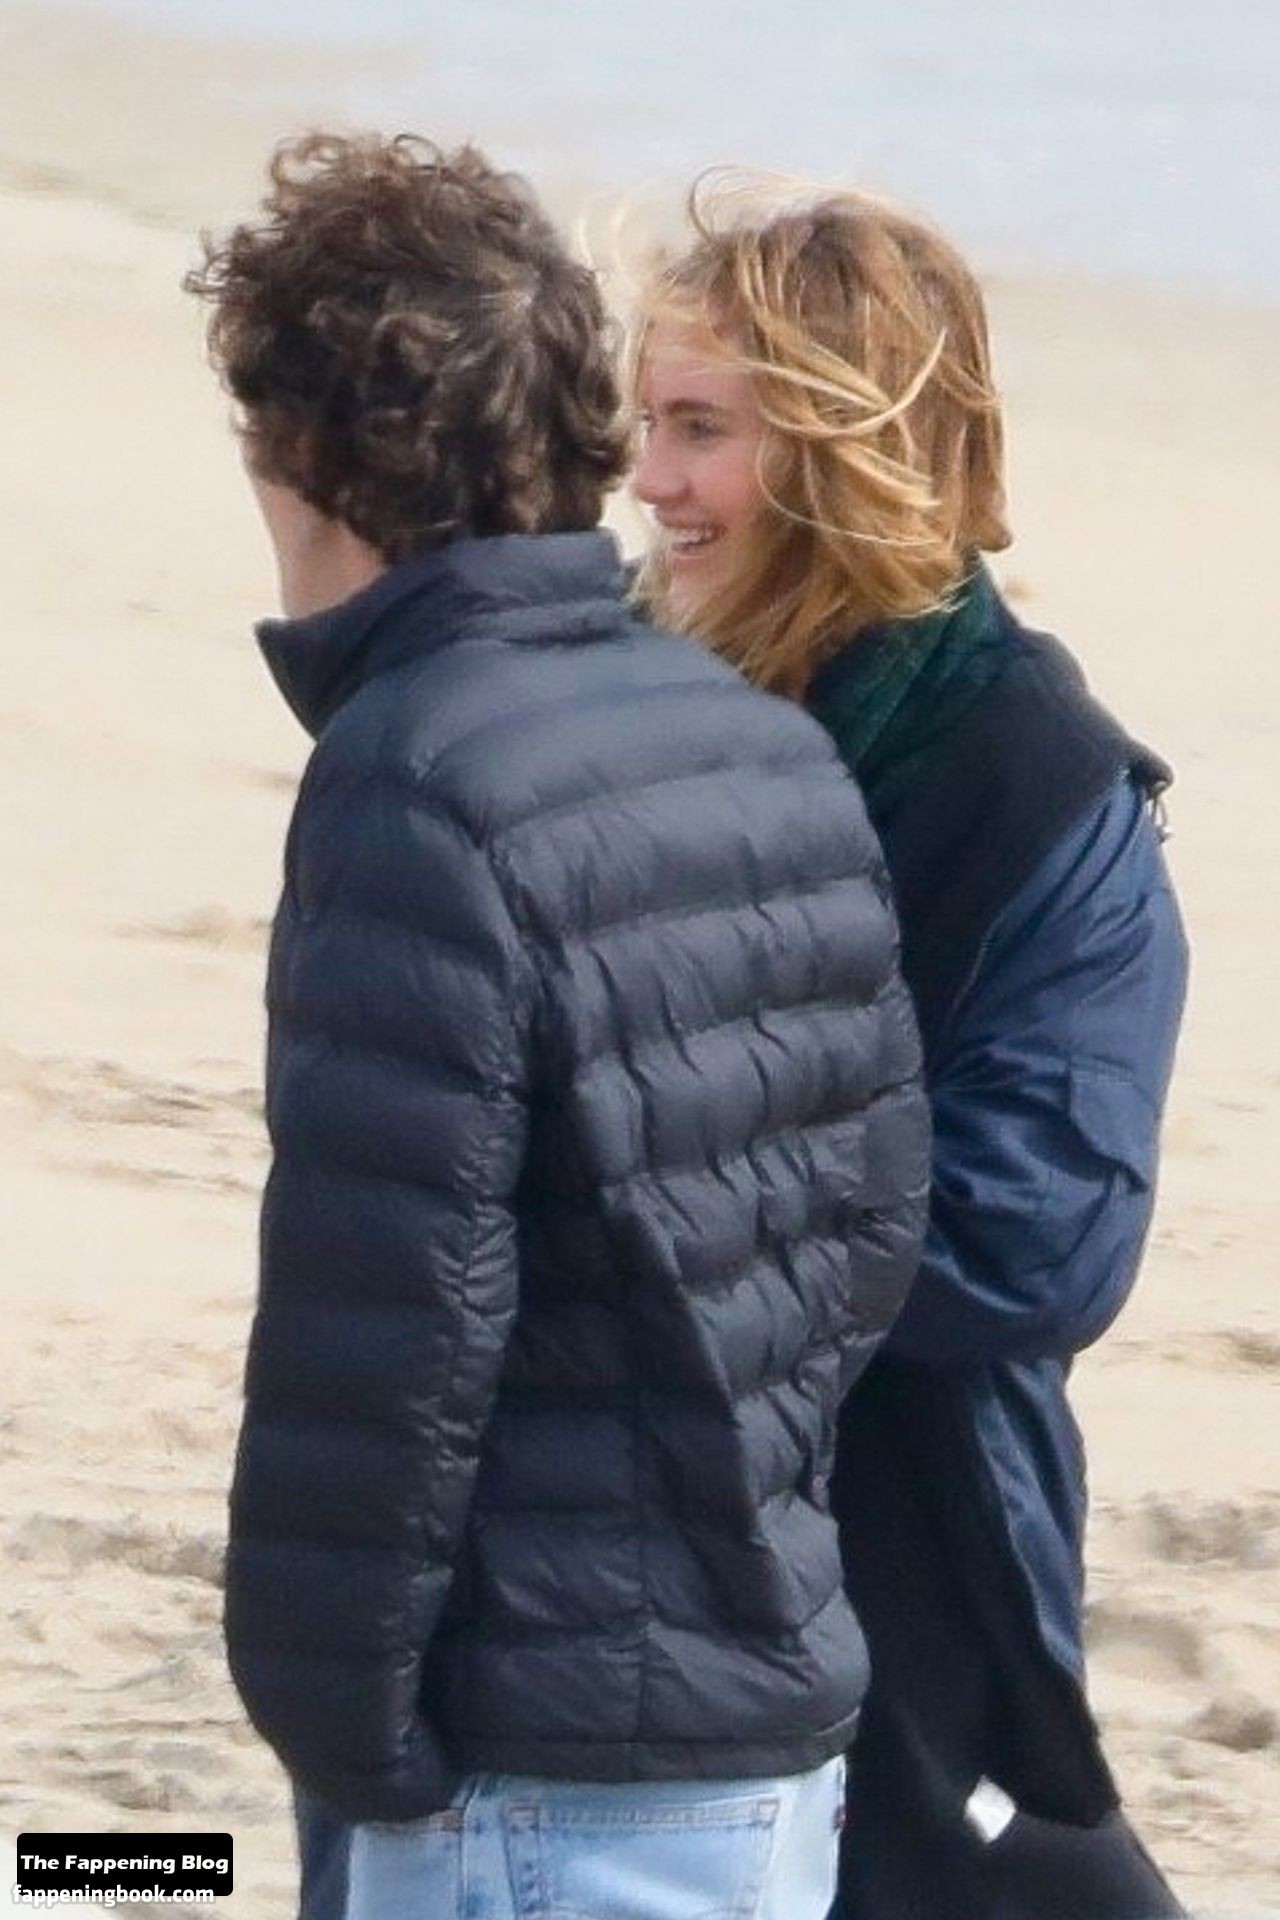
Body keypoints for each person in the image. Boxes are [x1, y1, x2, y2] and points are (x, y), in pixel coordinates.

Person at [185, 134, 931, 1920]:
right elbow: (873, 1223)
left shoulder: (415, 777)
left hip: (539, 1775)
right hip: (764, 1739)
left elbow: (388, 1322)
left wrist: (343, 1735)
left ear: (300, 453)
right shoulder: (763, 740)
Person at [633, 181, 1189, 1920]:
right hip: (603, 1543)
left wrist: (659, 1220)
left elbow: (1036, 1248)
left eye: (701, 430)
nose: (647, 480)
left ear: (846, 452)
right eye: (644, 424)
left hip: (920, 1555)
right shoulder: (625, 721)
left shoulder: (1047, 797)